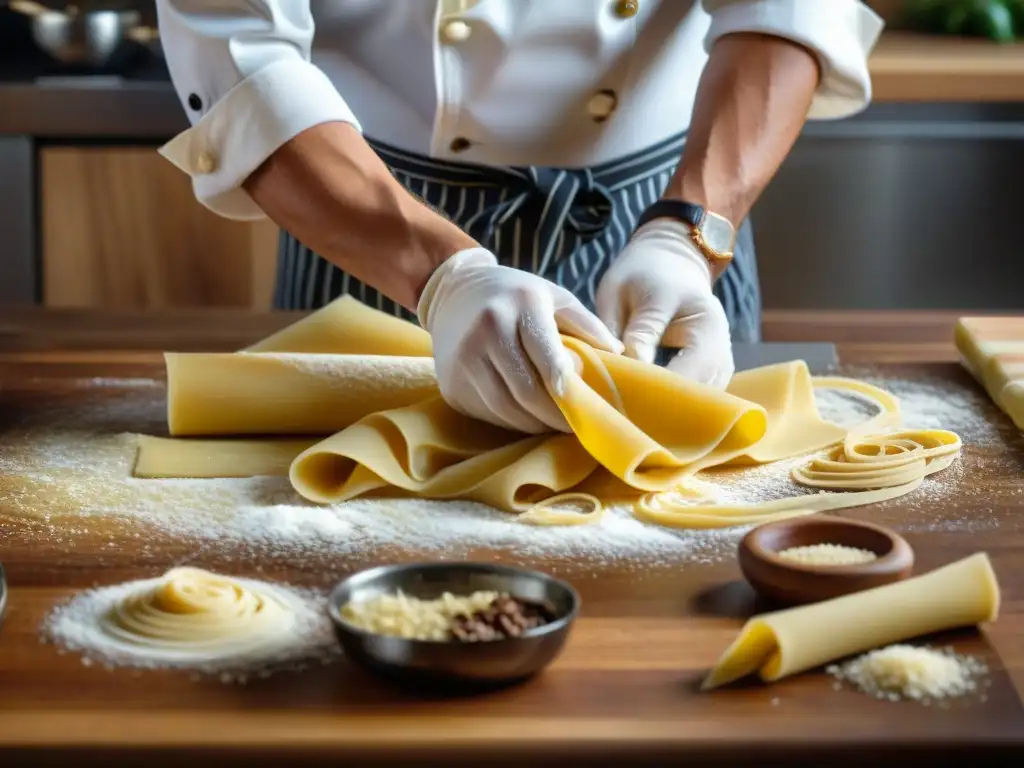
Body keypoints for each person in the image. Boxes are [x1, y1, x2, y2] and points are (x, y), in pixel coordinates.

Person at [156, 1, 882, 435]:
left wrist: (689, 236)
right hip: (363, 213)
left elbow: (791, 10)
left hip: (668, 197)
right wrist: (446, 280)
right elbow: (242, 61)